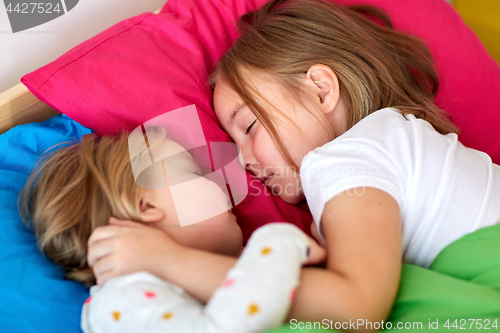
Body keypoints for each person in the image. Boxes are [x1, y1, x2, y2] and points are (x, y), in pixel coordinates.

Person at [83, 0, 500, 331]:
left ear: (320, 88)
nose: (242, 161)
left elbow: (357, 308)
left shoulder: (344, 158)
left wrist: (167, 261)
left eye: (249, 125)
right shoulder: (387, 144)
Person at [18, 125, 326, 333]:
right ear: (147, 207)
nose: (221, 182)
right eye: (193, 173)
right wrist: (277, 243)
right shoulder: (122, 298)